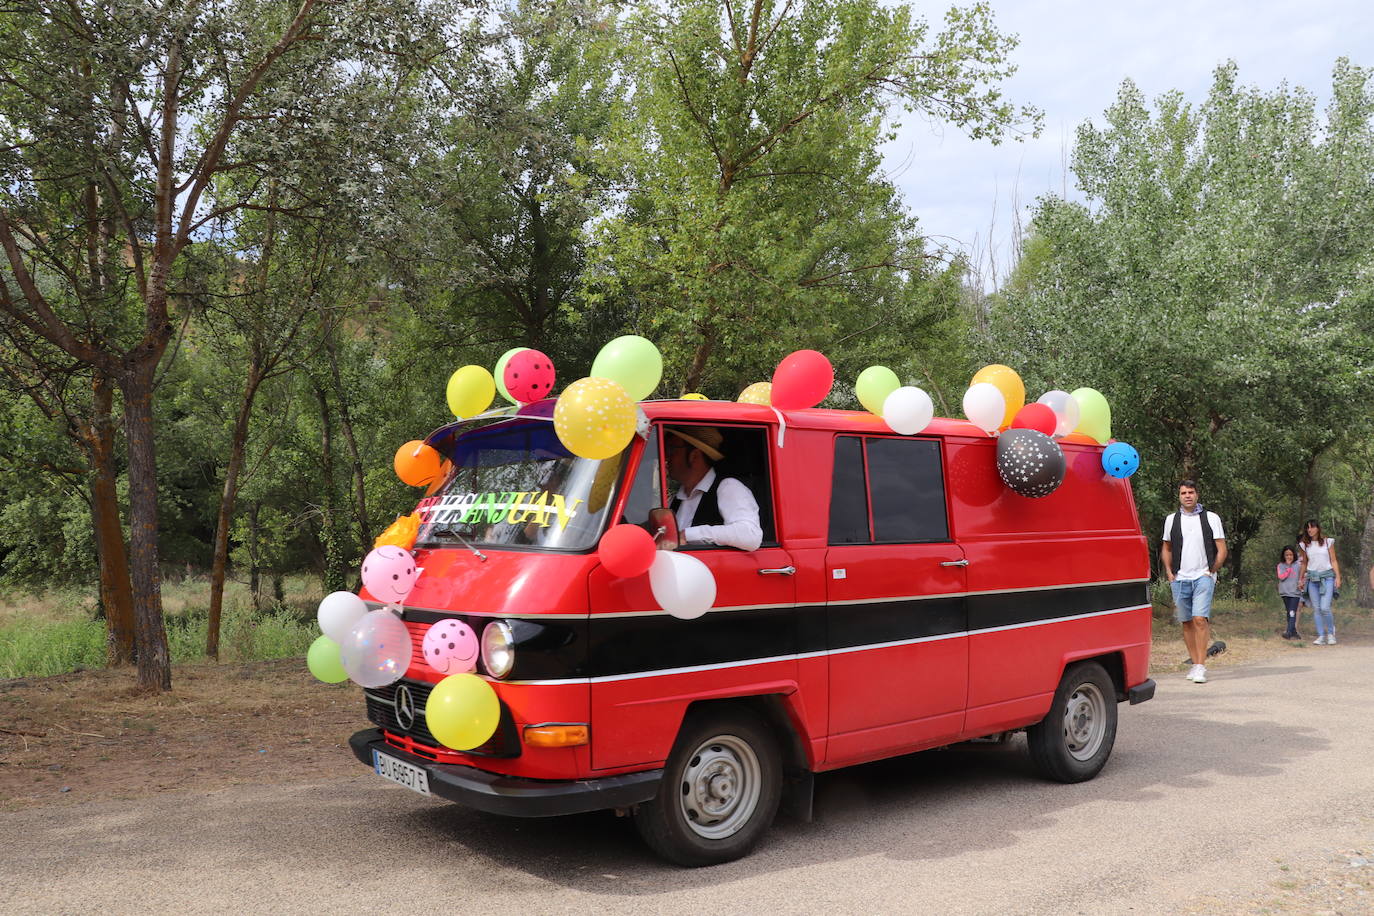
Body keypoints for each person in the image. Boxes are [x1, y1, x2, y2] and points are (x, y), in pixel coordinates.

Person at [1160, 479, 1227, 684]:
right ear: (1179, 496)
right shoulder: (1172, 519)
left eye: (1191, 492)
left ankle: (1200, 666)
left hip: (1203, 577)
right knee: (1187, 622)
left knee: (1199, 619)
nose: (1187, 496)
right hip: (1180, 578)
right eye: (1183, 493)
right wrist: (1169, 573)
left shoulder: (1211, 518)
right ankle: (1195, 664)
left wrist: (1212, 570)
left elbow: (1222, 548)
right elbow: (1167, 547)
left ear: (1197, 494)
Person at [664, 426, 763, 552]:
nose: (666, 457)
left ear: (694, 455)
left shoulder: (728, 487)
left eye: (671, 449)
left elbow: (750, 535)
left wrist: (688, 535)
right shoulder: (676, 498)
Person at [1297, 519, 1342, 645]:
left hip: (1327, 577)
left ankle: (1331, 634)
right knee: (1316, 609)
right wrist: (1300, 579)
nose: (1309, 530)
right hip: (1312, 579)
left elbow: (1333, 560)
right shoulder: (1304, 545)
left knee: (1325, 608)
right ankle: (1321, 635)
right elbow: (1304, 563)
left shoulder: (1328, 542)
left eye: (1312, 527)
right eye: (1308, 528)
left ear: (1318, 528)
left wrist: (1338, 577)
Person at [1276, 546, 1303, 639]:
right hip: (1285, 592)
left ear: (1294, 555)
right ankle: (1294, 632)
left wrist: (1302, 583)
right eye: (1287, 555)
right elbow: (1281, 577)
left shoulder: (1298, 565)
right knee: (1289, 612)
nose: (1289, 557)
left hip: (1295, 593)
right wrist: (1288, 567)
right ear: (1283, 556)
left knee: (1292, 612)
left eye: (1291, 555)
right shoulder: (1280, 565)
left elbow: (1302, 576)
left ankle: (1288, 632)